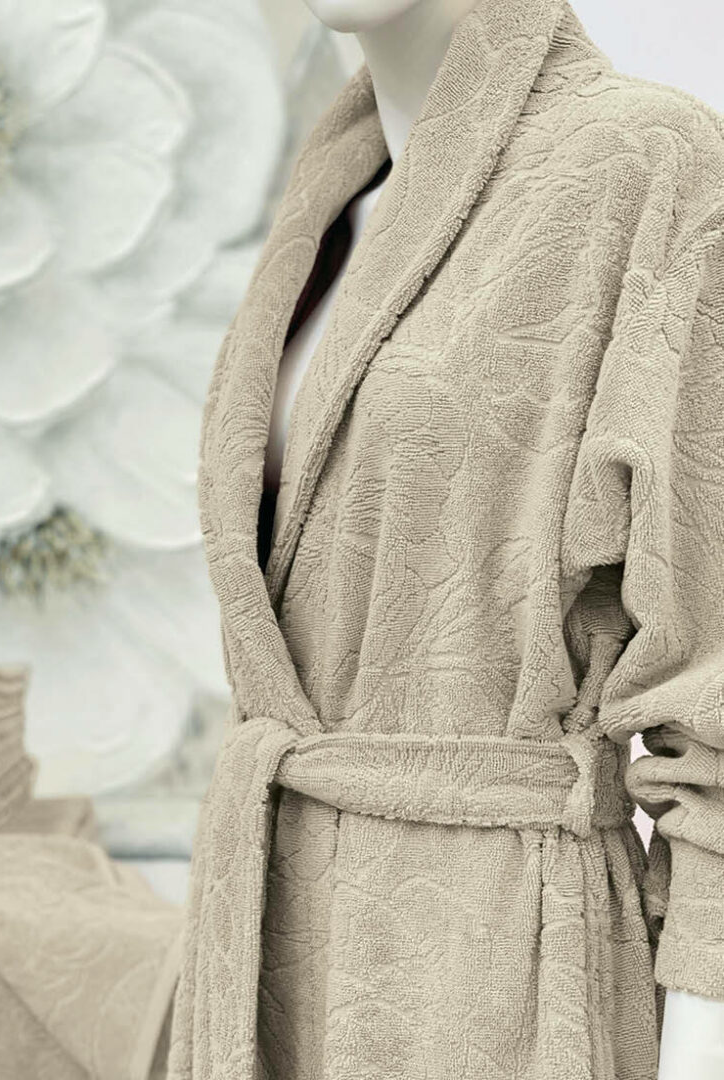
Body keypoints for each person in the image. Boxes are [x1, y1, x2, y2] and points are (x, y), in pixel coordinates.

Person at [167, 1, 724, 1077]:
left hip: (496, 964)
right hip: (271, 944)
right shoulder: (335, 198)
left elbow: (717, 683)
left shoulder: (654, 163)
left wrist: (698, 1051)